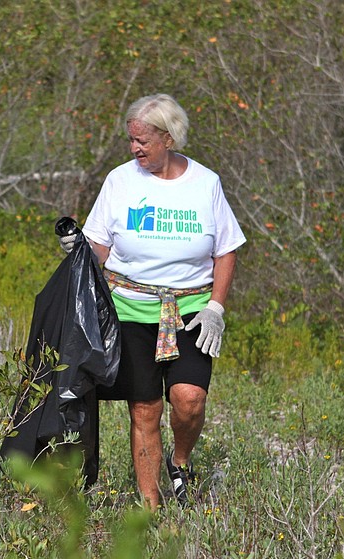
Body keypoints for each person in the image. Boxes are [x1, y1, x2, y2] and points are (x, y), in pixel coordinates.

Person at [58, 93, 246, 509]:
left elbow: (227, 250)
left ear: (169, 136)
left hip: (190, 309)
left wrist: (215, 307)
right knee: (145, 408)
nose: (134, 148)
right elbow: (99, 248)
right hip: (129, 307)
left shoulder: (205, 183)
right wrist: (77, 249)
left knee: (189, 399)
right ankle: (151, 506)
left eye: (142, 140)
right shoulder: (120, 181)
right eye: (131, 140)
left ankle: (179, 461)